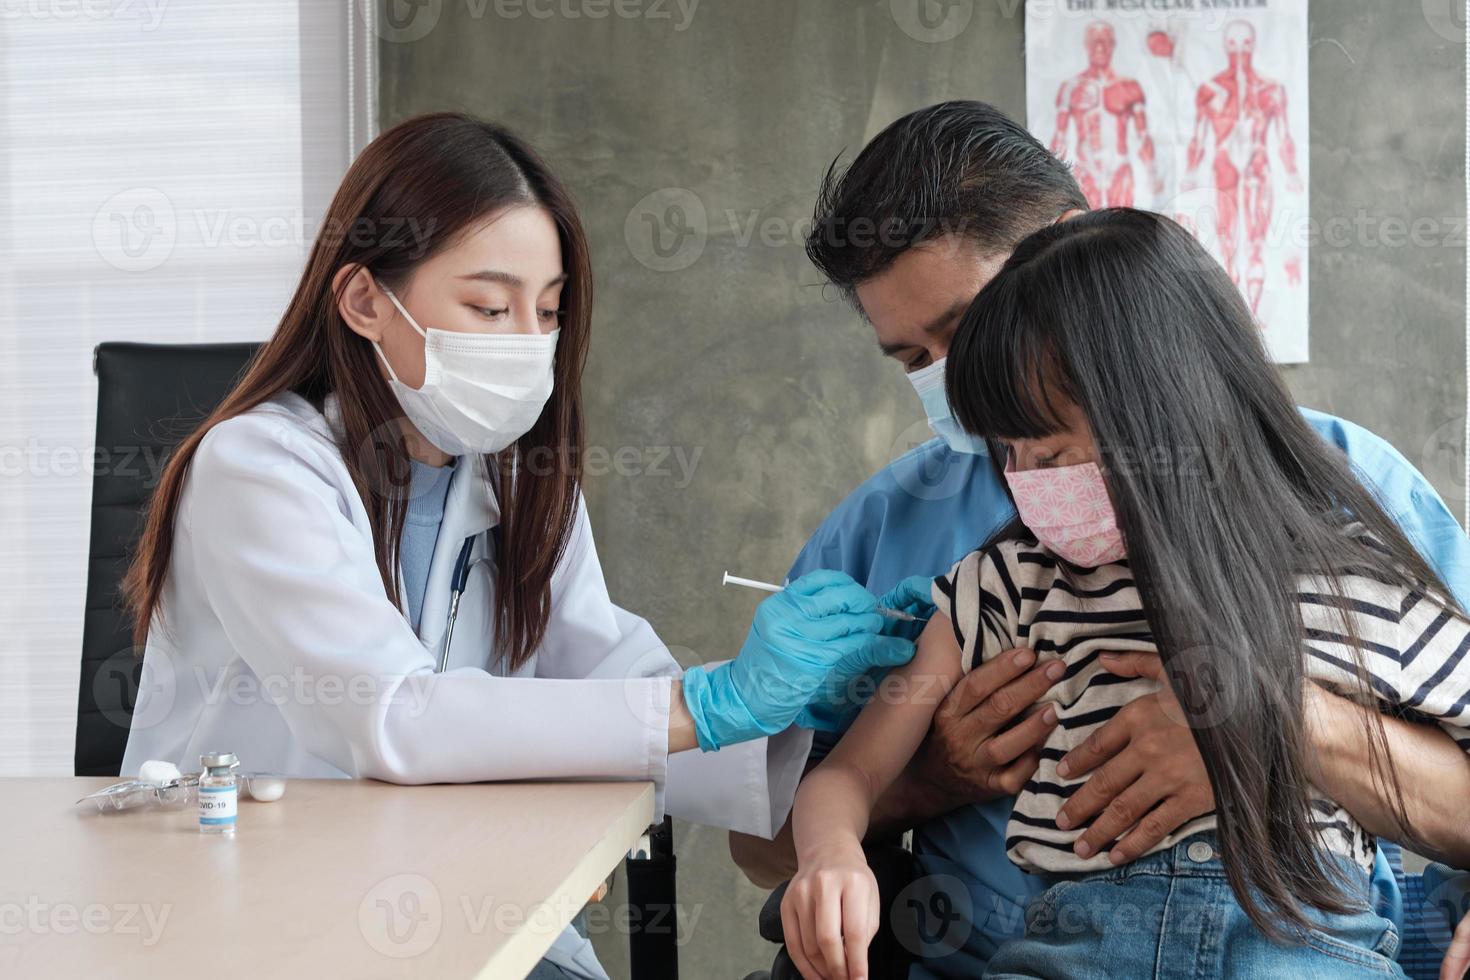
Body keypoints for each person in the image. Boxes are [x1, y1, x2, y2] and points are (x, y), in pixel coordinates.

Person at [116, 113, 916, 980]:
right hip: (266, 918)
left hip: (456, 900)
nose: (528, 343)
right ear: (361, 302)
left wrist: (797, 711)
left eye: (548, 309)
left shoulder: (516, 479)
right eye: (490, 306)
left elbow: (606, 675)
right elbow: (388, 717)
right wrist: (714, 702)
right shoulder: (258, 468)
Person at [730, 101, 1470, 977]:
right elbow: (763, 838)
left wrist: (1263, 727)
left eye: (967, 330)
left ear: (1074, 257)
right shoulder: (915, 544)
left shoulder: (1337, 503)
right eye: (910, 360)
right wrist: (936, 777)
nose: (956, 386)